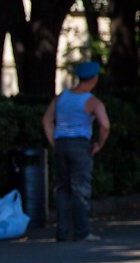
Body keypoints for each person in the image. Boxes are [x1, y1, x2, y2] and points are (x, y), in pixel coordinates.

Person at [42, 60, 110, 242]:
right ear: (94, 79)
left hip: (61, 145)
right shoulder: (92, 102)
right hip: (80, 146)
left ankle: (62, 232)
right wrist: (99, 144)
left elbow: (46, 121)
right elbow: (104, 125)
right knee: (80, 189)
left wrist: (53, 142)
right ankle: (82, 232)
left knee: (62, 188)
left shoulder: (60, 98)